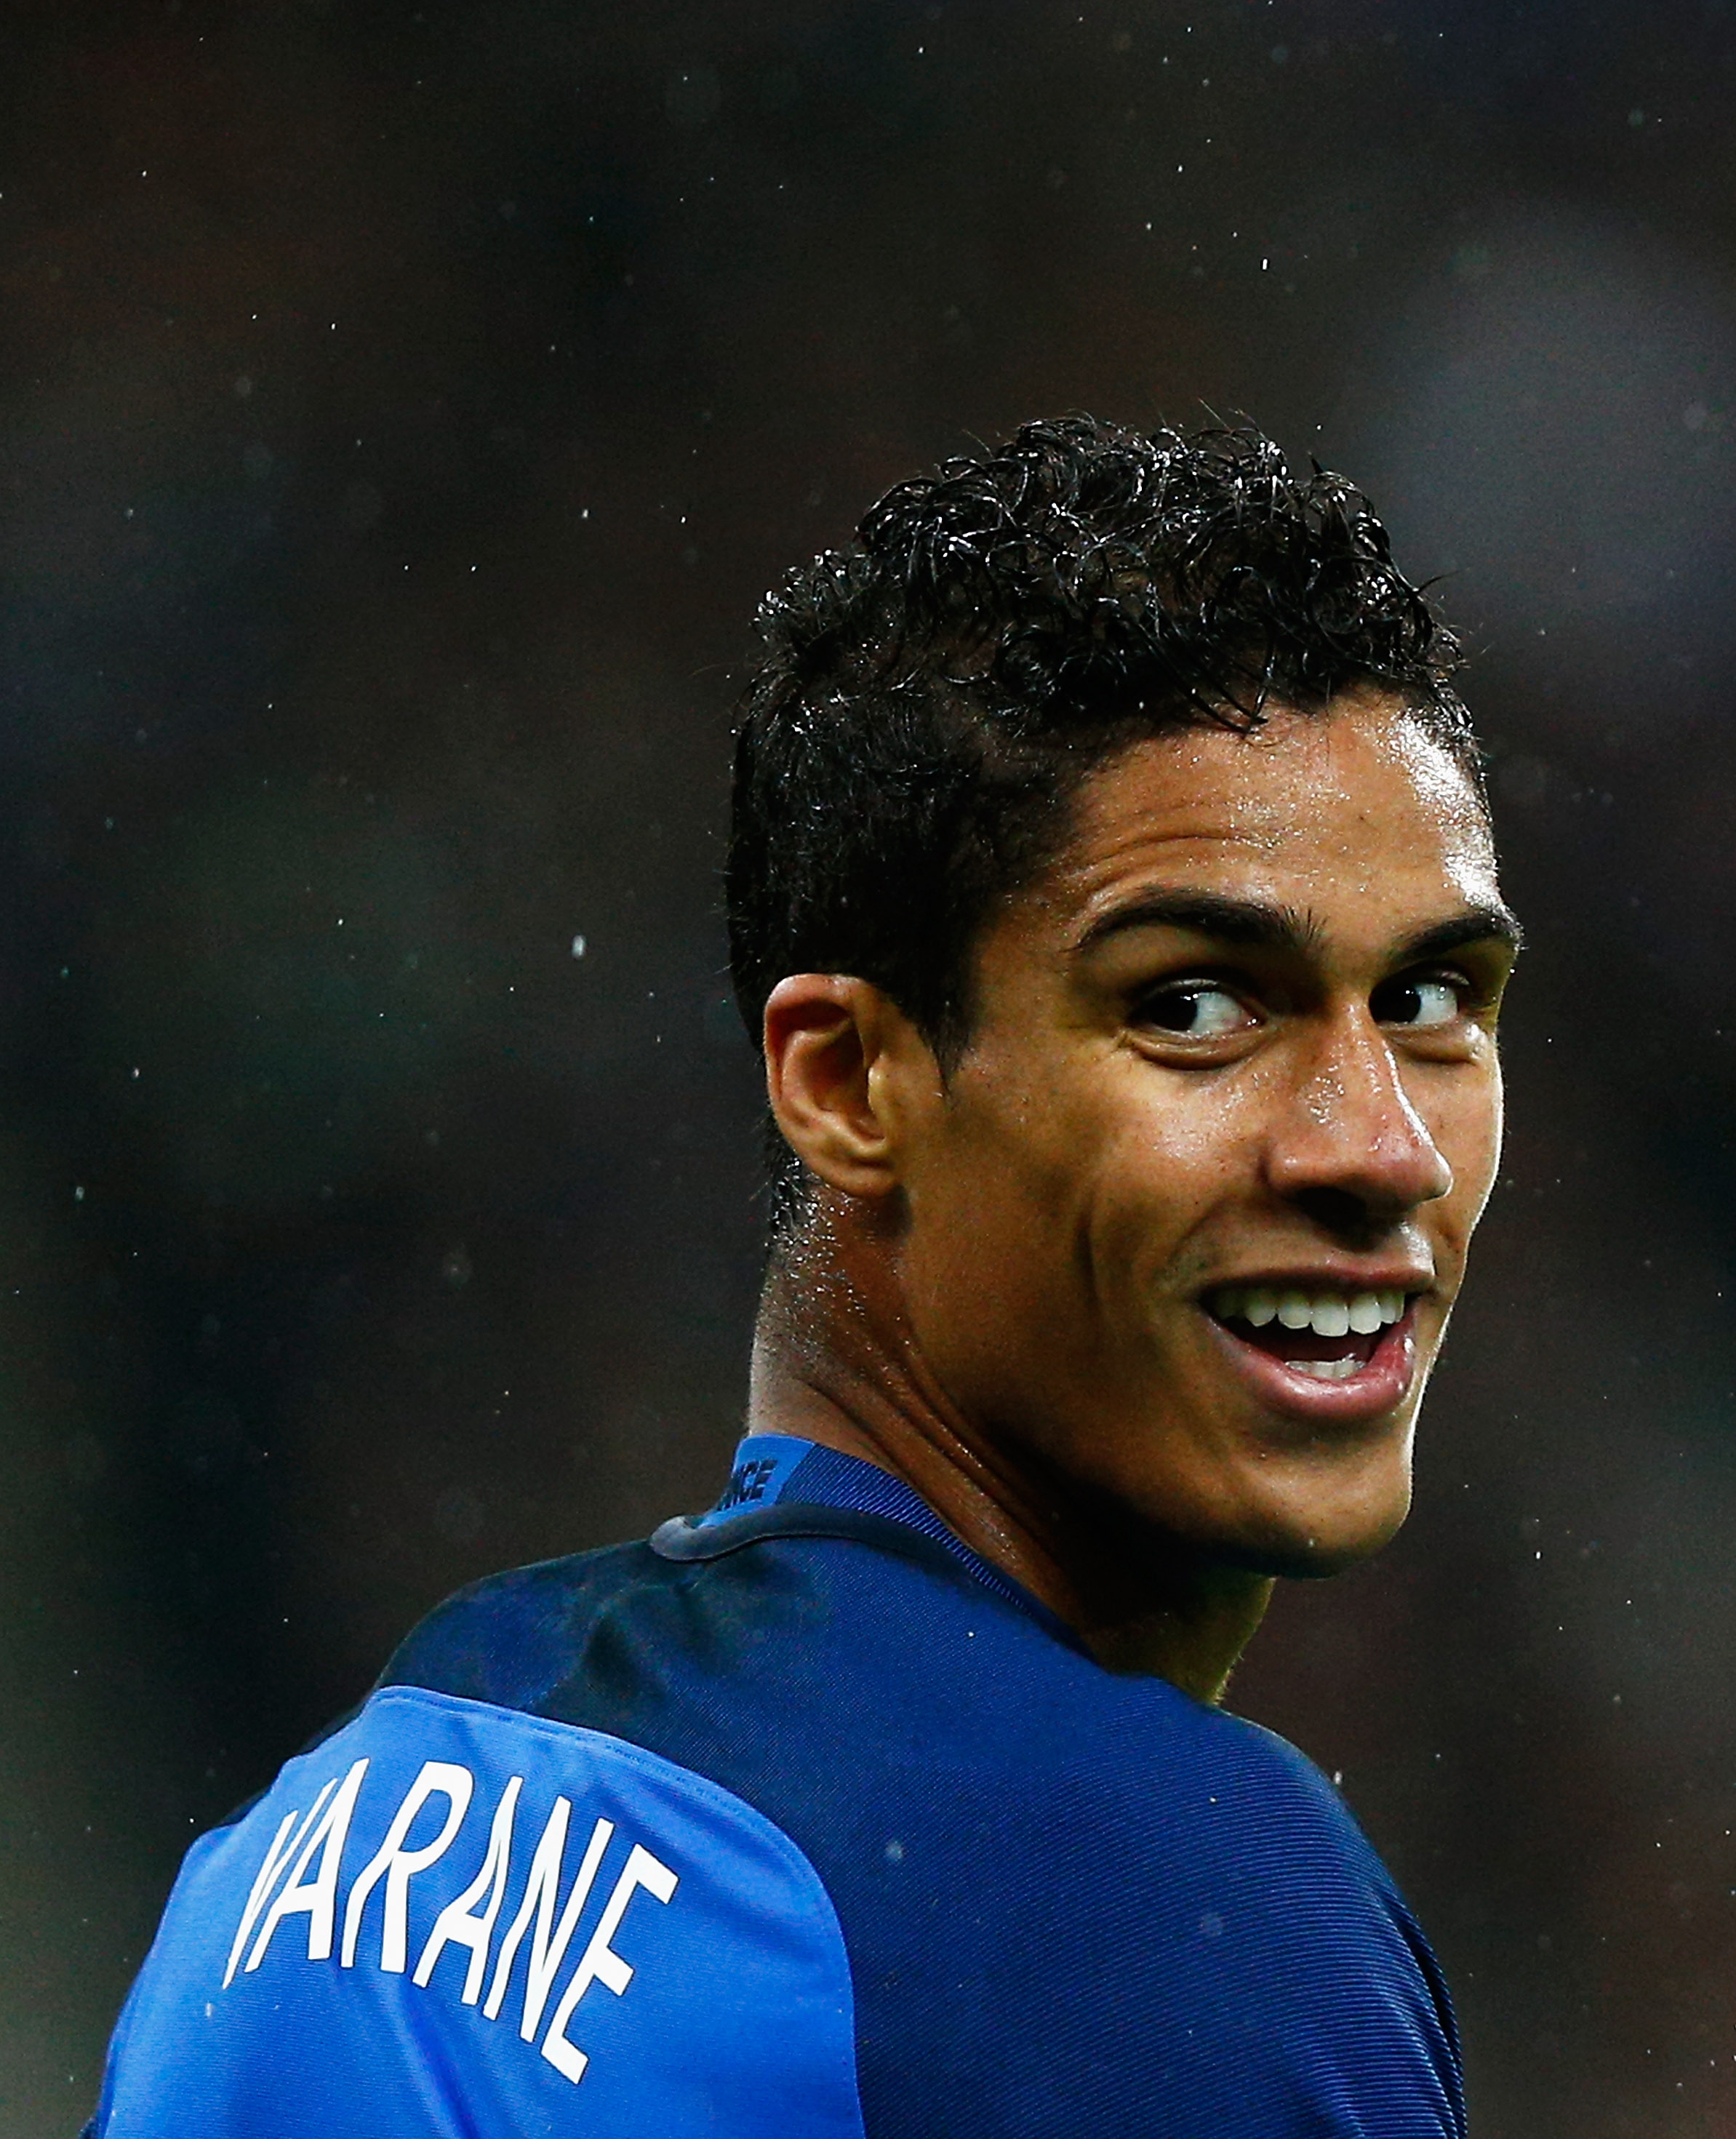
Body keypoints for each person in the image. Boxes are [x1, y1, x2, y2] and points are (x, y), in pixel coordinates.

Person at [87, 416, 1514, 2135]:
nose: (1379, 1148)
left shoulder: (362, 1793)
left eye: (1433, 1002)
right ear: (847, 1081)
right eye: (1194, 1006)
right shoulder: (1158, 1891)